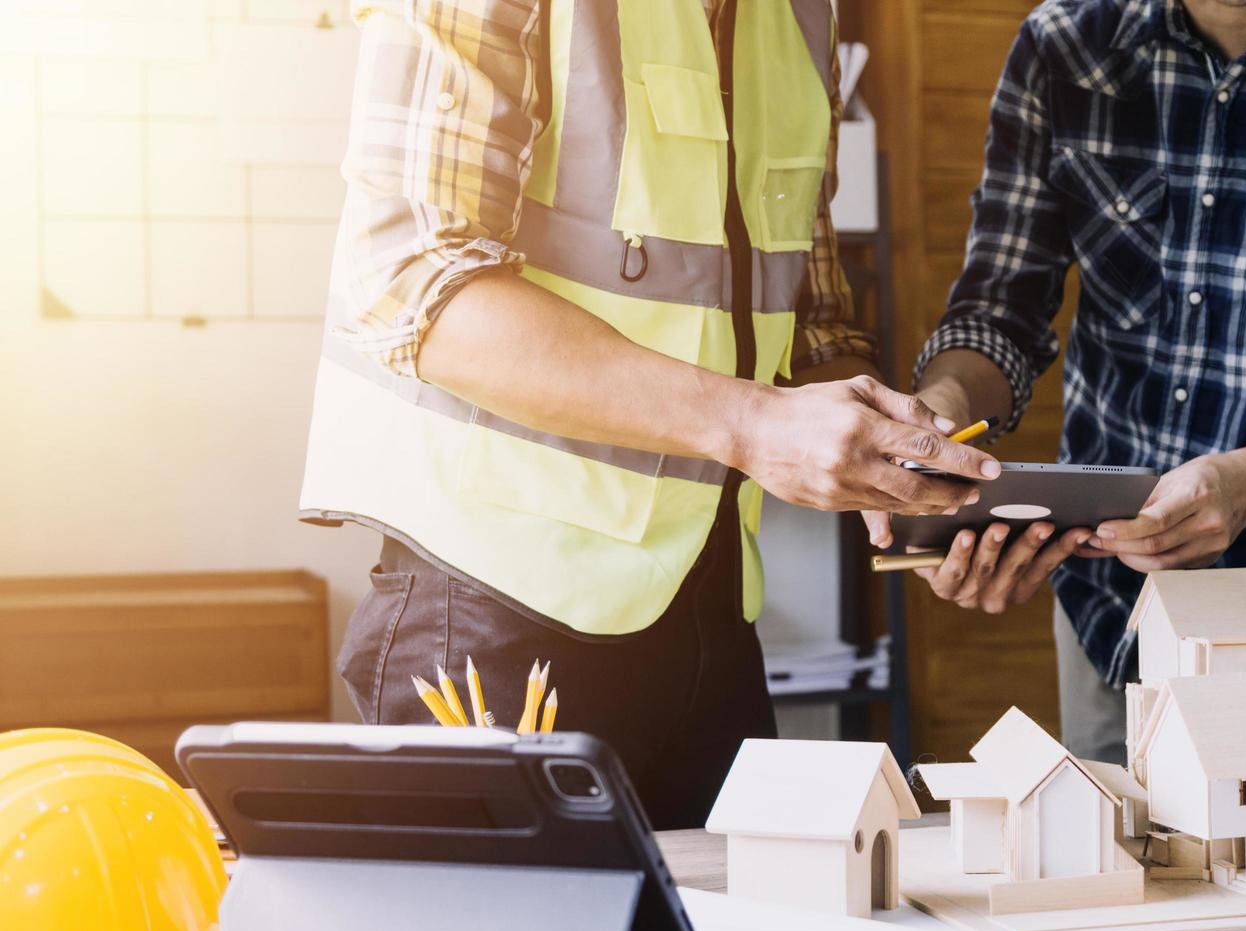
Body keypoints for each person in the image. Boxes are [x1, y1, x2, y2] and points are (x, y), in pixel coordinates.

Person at [300, 0, 998, 829]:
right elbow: (414, 280)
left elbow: (807, 319)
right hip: (493, 610)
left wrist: (895, 453)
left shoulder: (804, 14)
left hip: (709, 609)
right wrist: (756, 426)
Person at [866, 0, 1246, 762]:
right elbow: (999, 312)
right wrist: (937, 416)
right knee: (1118, 860)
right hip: (1114, 608)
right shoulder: (1062, 46)